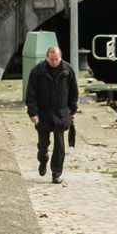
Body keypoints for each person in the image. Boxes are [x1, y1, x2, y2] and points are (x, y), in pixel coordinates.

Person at [24, 44, 78, 184]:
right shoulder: (37, 71)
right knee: (43, 144)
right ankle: (43, 160)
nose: (54, 62)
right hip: (43, 113)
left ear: (60, 58)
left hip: (61, 112)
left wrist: (72, 110)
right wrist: (33, 113)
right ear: (47, 58)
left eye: (57, 59)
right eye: (52, 59)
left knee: (60, 146)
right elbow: (31, 94)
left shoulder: (67, 70)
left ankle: (56, 174)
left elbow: (73, 92)